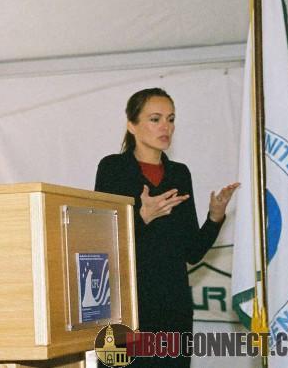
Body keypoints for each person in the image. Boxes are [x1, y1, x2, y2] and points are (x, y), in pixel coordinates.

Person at [94, 88, 238, 367]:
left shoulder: (179, 174)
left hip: (173, 307)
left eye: (171, 119)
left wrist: (215, 217)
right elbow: (103, 242)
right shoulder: (113, 169)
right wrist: (142, 217)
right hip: (127, 307)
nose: (166, 127)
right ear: (131, 124)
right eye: (155, 119)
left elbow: (192, 252)